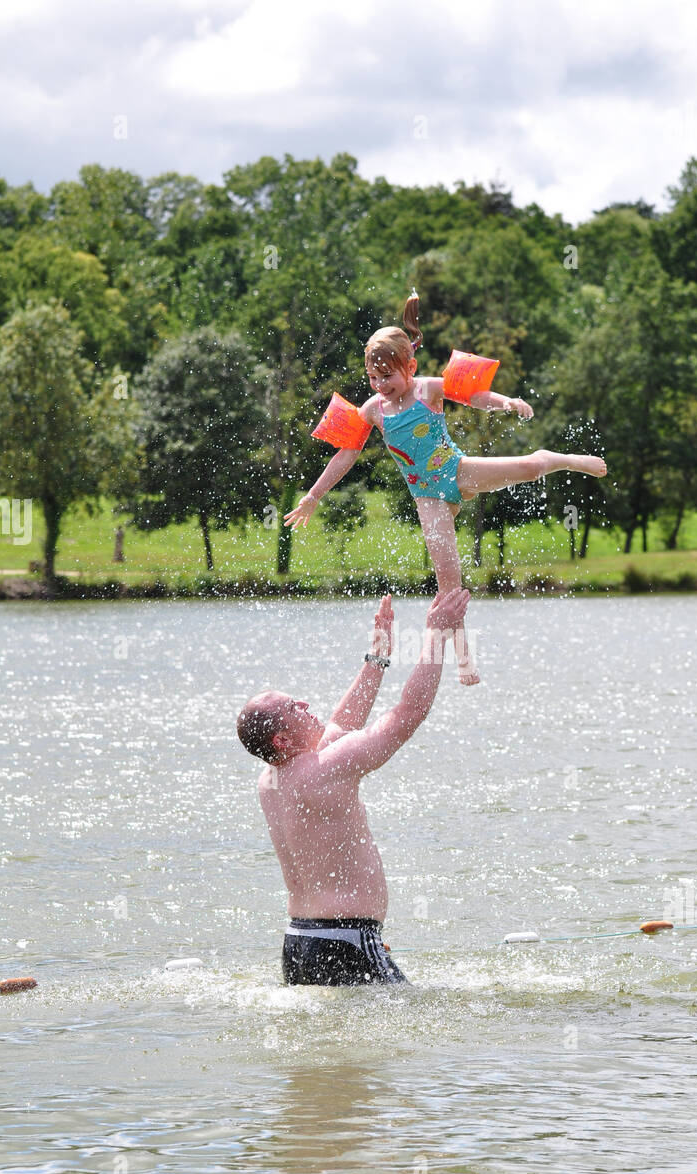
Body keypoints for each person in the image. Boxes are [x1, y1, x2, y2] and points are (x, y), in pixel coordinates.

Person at [284, 291, 607, 686]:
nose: (380, 384)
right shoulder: (372, 410)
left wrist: (507, 402)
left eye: (387, 376)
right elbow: (345, 455)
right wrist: (313, 496)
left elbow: (473, 395)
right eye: (373, 377)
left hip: (456, 472)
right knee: (448, 582)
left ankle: (565, 459)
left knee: (528, 467)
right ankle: (464, 658)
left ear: (410, 367)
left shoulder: (428, 390)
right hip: (428, 498)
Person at [236, 588, 470, 987]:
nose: (307, 705)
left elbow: (338, 730)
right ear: (281, 741)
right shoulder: (322, 772)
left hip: (300, 944)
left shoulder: (273, 780)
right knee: (405, 1039)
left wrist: (377, 657)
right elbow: (407, 714)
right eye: (294, 708)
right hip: (345, 941)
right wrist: (435, 634)